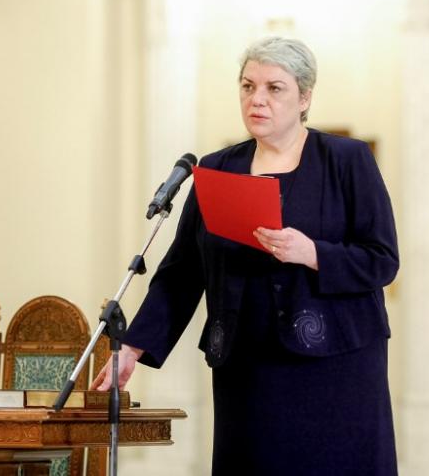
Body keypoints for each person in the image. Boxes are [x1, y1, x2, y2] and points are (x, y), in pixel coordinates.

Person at [91, 36, 399, 475]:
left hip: (338, 366)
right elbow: (181, 273)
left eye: (274, 88)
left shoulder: (346, 160)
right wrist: (133, 348)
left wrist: (312, 253)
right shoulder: (217, 169)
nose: (257, 99)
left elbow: (382, 259)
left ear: (304, 97)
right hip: (249, 366)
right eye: (247, 86)